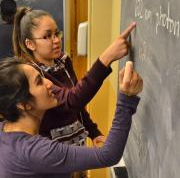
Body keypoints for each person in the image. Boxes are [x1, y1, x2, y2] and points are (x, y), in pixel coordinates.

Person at [13, 7, 136, 152]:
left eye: (57, 33)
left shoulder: (62, 62)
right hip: (54, 152)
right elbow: (71, 100)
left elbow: (78, 104)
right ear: (30, 44)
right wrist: (107, 57)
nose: (56, 40)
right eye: (47, 36)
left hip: (75, 146)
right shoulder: (33, 75)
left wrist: (93, 132)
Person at [0, 58, 143, 177]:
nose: (50, 83)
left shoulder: (5, 130)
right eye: (39, 82)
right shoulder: (36, 151)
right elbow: (108, 155)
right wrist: (126, 99)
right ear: (24, 105)